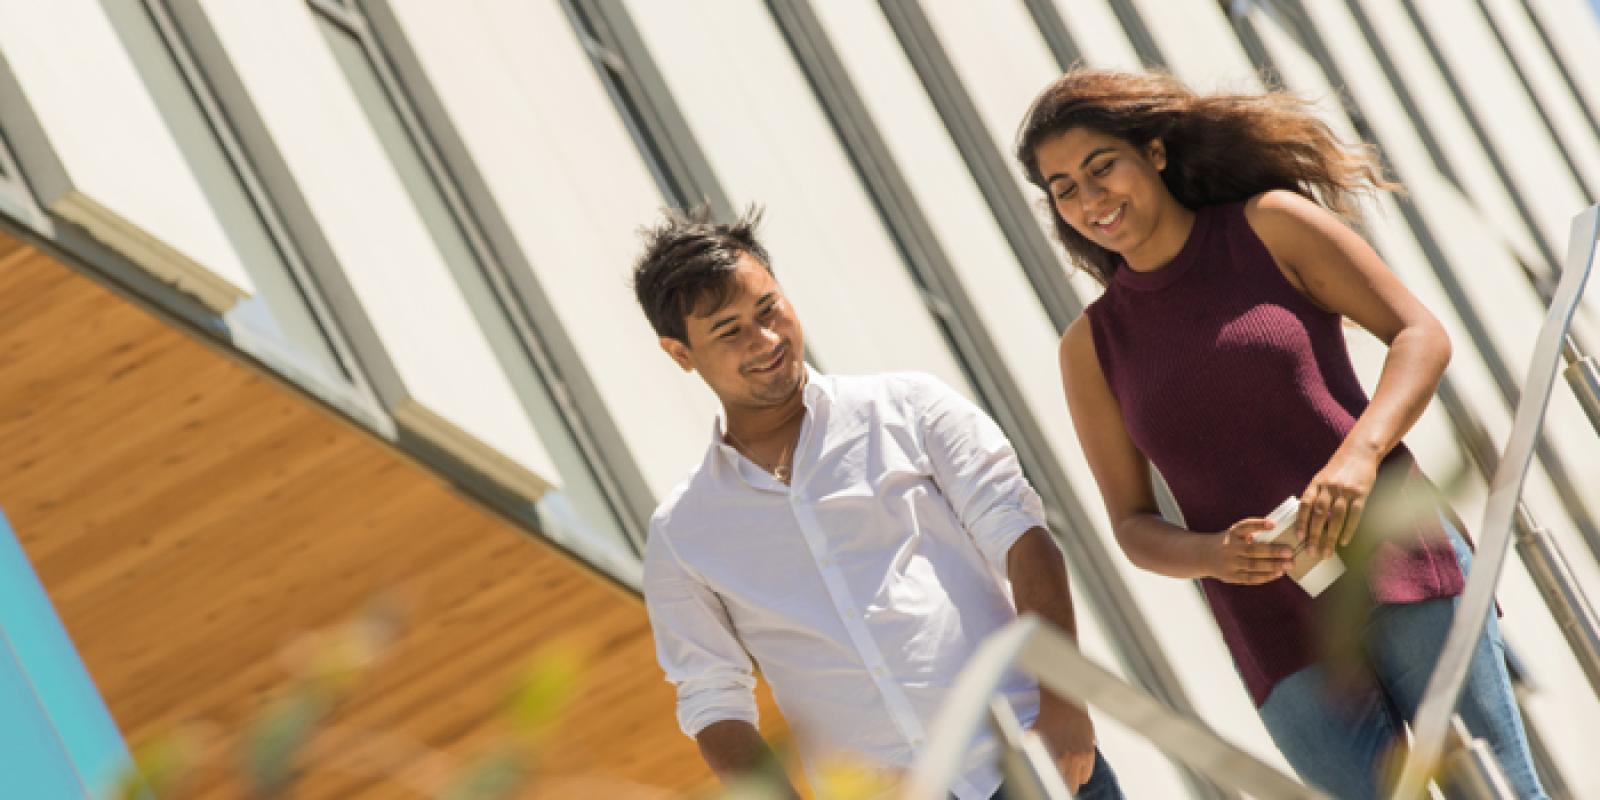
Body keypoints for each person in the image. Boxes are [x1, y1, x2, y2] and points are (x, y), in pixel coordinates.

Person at [1015, 67, 1548, 799]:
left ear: (1156, 154)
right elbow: (1132, 526)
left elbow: (1419, 336)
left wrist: (1358, 459)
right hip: (1275, 638)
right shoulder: (1090, 349)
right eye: (1064, 188)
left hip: (1399, 562)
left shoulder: (1269, 227)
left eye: (1101, 166)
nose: (1088, 197)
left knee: (1502, 793)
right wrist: (1213, 554)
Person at [632, 206, 1123, 799]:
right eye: (728, 330)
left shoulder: (909, 408)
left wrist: (1063, 700)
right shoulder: (685, 532)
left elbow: (1021, 536)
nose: (764, 339)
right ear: (680, 352)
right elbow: (712, 697)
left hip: (1032, 762)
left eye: (769, 309)